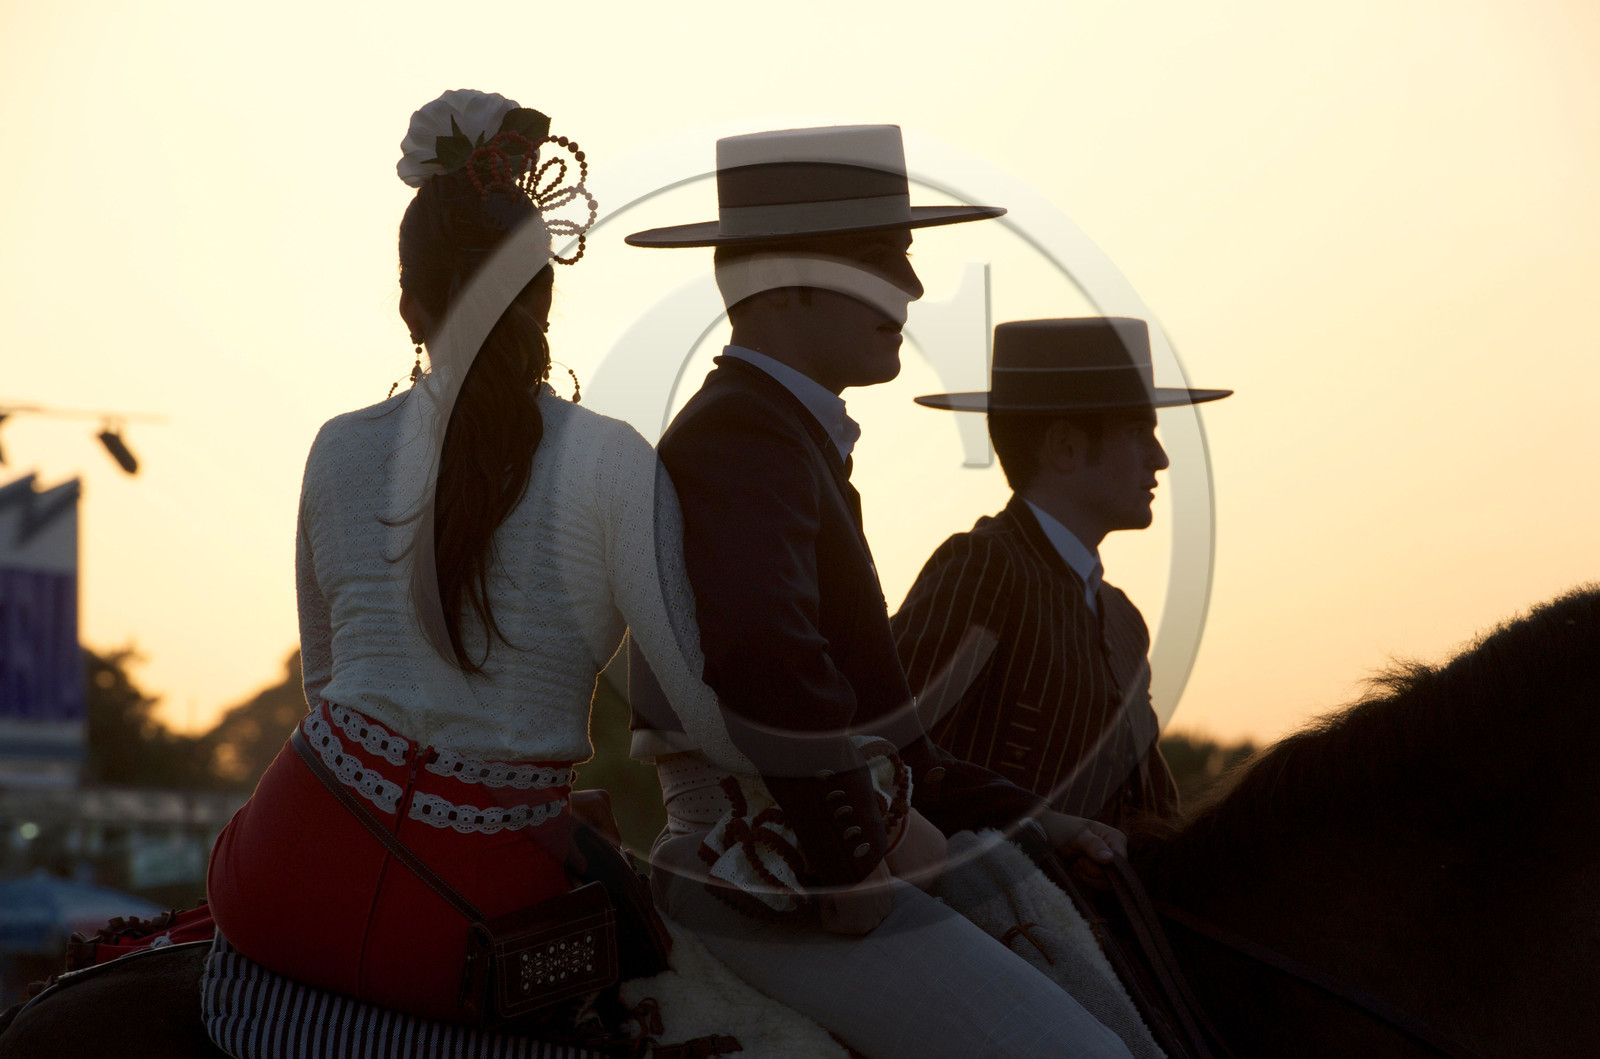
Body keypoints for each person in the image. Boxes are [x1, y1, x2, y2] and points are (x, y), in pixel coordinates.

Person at [624, 125, 1135, 1059]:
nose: (910, 287)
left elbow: (892, 731)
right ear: (782, 283)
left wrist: (1042, 820)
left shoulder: (783, 434)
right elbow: (767, 656)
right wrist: (853, 861)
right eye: (878, 259)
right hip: (765, 865)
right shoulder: (743, 437)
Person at [204, 90, 687, 1026]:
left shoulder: (336, 447)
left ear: (406, 304)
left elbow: (330, 679)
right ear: (545, 291)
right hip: (478, 913)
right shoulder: (616, 459)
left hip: (283, 869)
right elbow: (700, 706)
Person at [891, 318, 1231, 824]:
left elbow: (1153, 807)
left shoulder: (1122, 617)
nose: (1159, 458)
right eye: (1139, 432)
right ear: (1065, 447)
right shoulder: (984, 567)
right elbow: (892, 751)